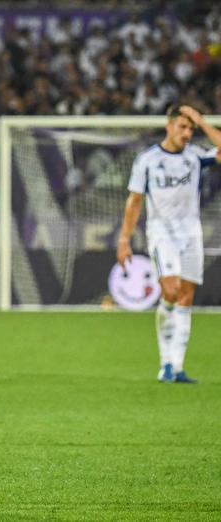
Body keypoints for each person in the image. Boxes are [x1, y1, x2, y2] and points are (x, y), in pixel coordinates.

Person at [117, 104, 221, 383]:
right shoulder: (148, 160)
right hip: (162, 233)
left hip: (192, 233)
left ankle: (176, 367)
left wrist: (202, 121)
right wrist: (124, 239)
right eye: (182, 127)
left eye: (190, 129)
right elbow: (134, 201)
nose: (187, 133)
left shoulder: (196, 156)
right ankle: (165, 362)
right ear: (169, 126)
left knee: (186, 296)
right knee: (171, 291)